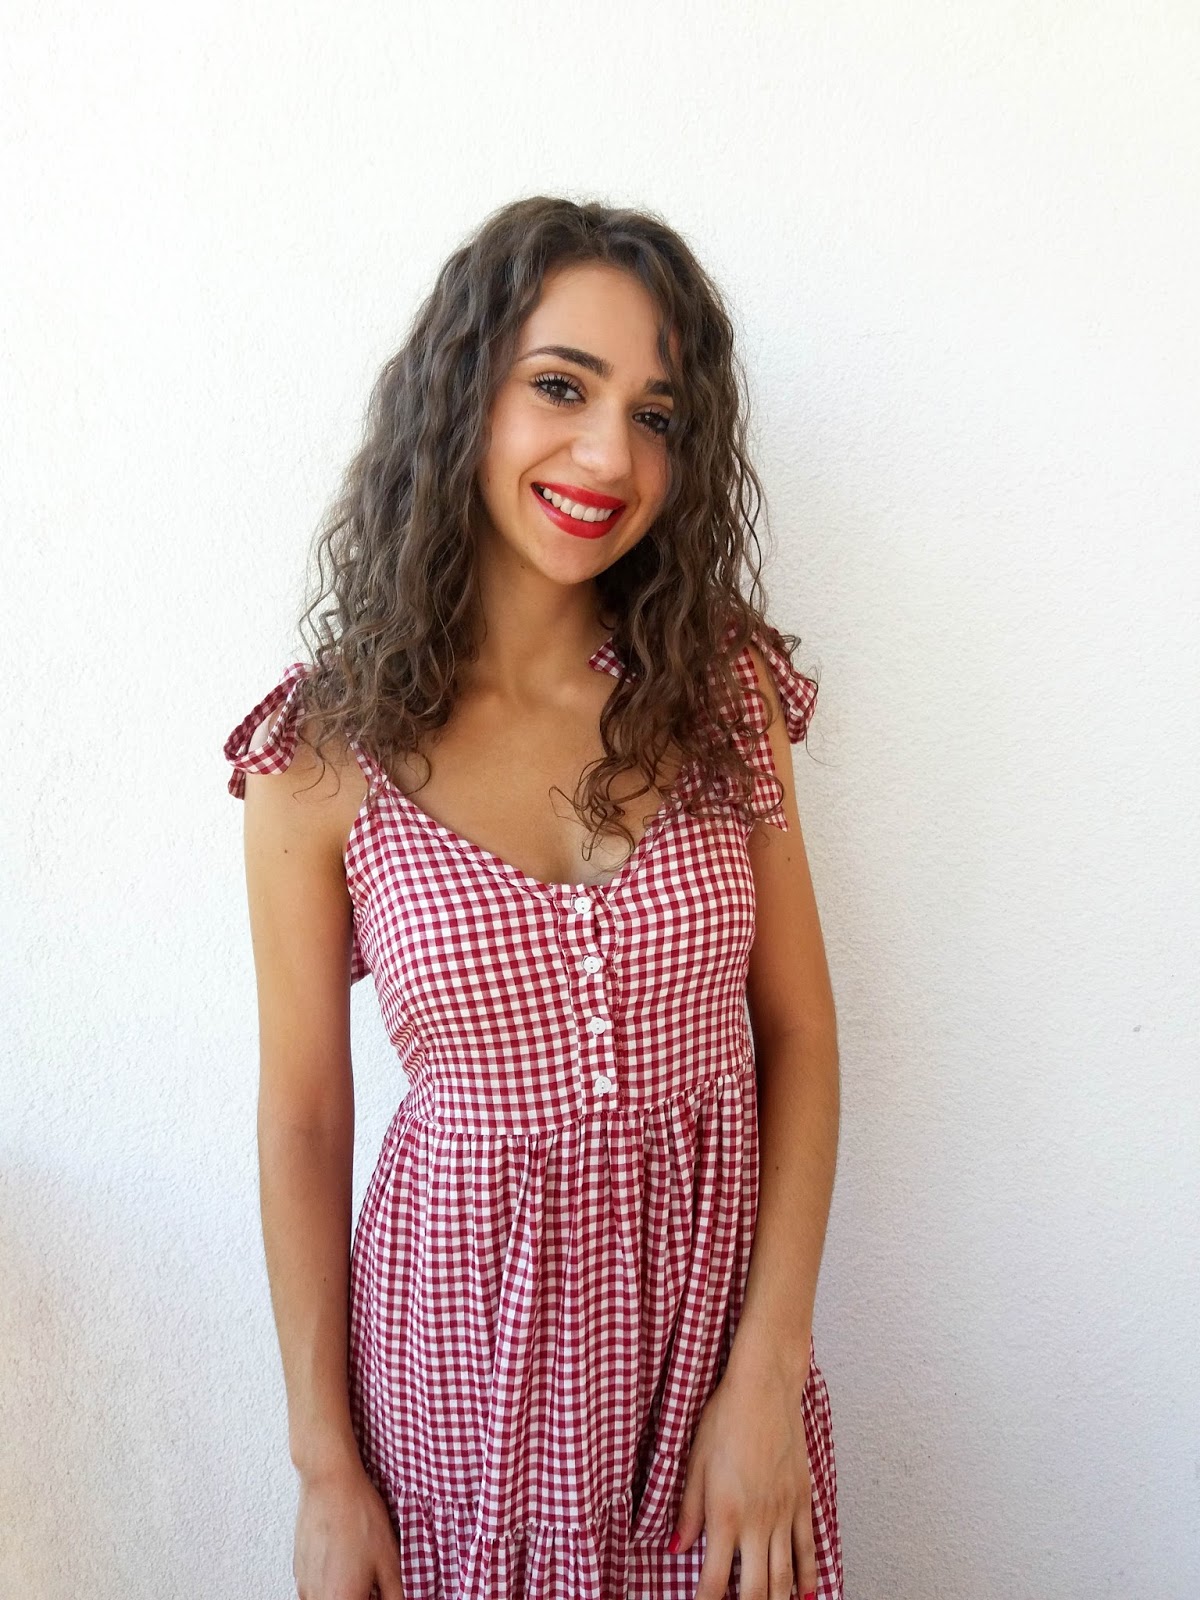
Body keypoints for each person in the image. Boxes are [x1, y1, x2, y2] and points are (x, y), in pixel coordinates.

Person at [224, 195, 842, 1600]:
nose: (610, 454)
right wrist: (325, 1469)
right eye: (562, 386)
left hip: (715, 1382)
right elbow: (304, 1118)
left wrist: (768, 1373)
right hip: (454, 1394)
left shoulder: (722, 691)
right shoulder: (318, 760)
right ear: (463, 397)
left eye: (657, 415)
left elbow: (800, 1037)